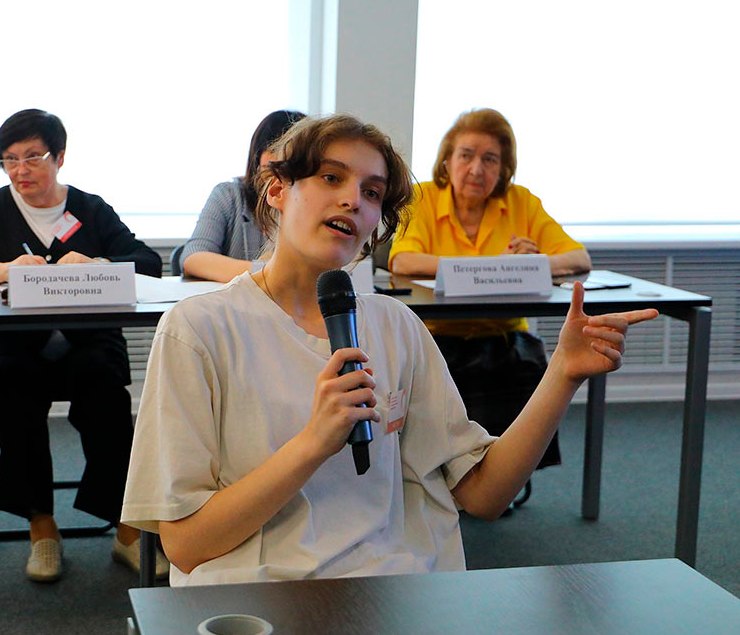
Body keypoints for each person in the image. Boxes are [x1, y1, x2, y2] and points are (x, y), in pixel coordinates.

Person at [121, 114, 656, 586]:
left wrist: (562, 373)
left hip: (390, 588)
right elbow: (185, 545)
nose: (353, 200)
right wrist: (313, 444)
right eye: (331, 177)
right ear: (277, 189)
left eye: (373, 192)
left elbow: (485, 495)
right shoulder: (197, 329)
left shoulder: (396, 326)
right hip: (260, 595)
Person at [0, 109, 164, 582]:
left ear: (59, 157)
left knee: (105, 396)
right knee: (10, 390)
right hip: (11, 344)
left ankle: (126, 529)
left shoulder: (90, 208)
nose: (21, 170)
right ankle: (42, 529)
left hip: (88, 342)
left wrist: (98, 263)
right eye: (9, 160)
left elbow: (148, 262)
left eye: (33, 157)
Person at [389, 108, 592, 487]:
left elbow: (579, 259)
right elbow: (403, 260)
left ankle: (501, 479)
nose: (476, 169)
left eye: (490, 159)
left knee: (524, 364)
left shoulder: (521, 201)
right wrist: (493, 266)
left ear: (504, 168)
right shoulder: (424, 197)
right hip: (436, 336)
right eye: (466, 155)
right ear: (447, 161)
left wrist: (532, 264)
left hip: (503, 337)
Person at [180, 109, 305, 282]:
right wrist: (262, 271)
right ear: (256, 159)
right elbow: (193, 258)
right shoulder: (229, 195)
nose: (277, 183)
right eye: (270, 170)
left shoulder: (314, 204)